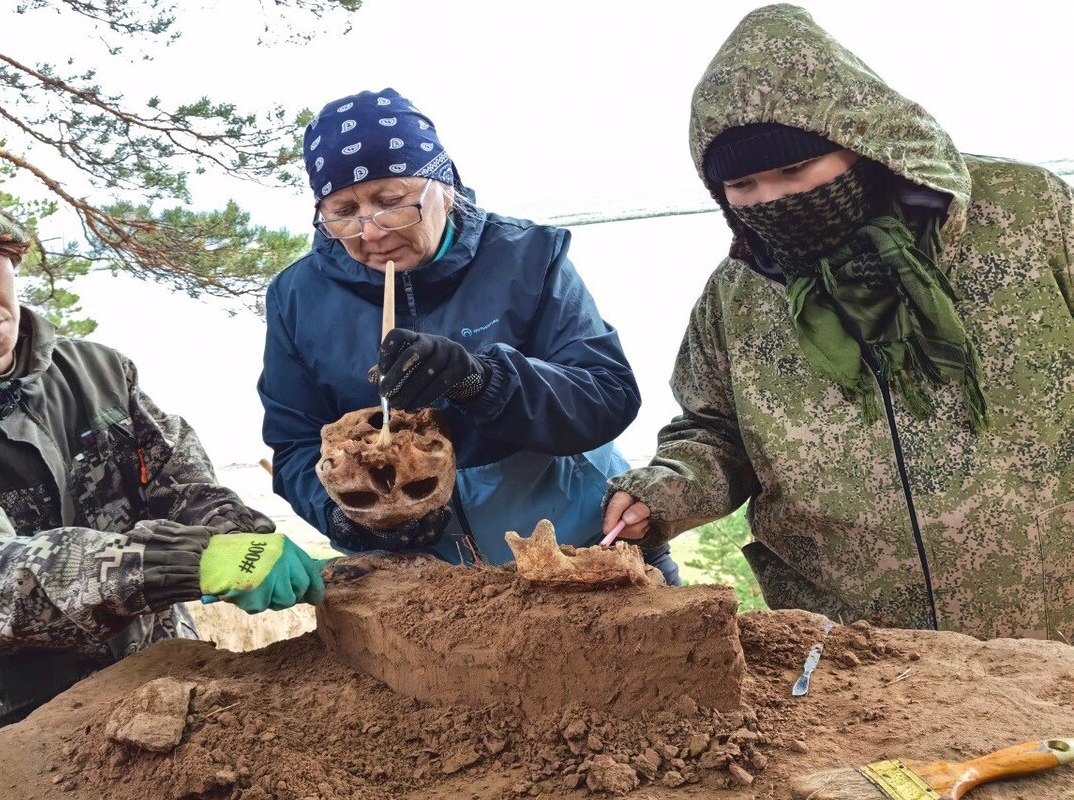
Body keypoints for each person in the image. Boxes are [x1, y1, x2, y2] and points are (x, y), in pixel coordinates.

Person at [603, 4, 1073, 640]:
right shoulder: (739, 294)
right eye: (744, 185)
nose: (773, 199)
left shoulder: (1027, 215)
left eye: (796, 171)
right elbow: (713, 431)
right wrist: (662, 494)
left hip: (1052, 618)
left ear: (864, 147)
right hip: (856, 646)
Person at [0, 162, 324, 766]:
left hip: (163, 689)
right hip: (5, 733)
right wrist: (183, 562)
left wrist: (244, 542)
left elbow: (184, 488)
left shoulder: (101, 371)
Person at [259, 88, 680, 583]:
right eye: (343, 211)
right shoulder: (297, 296)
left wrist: (482, 381)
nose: (369, 232)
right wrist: (351, 519)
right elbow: (295, 445)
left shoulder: (527, 257)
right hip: (431, 585)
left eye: (391, 201)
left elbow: (606, 397)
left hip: (578, 548)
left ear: (445, 185)